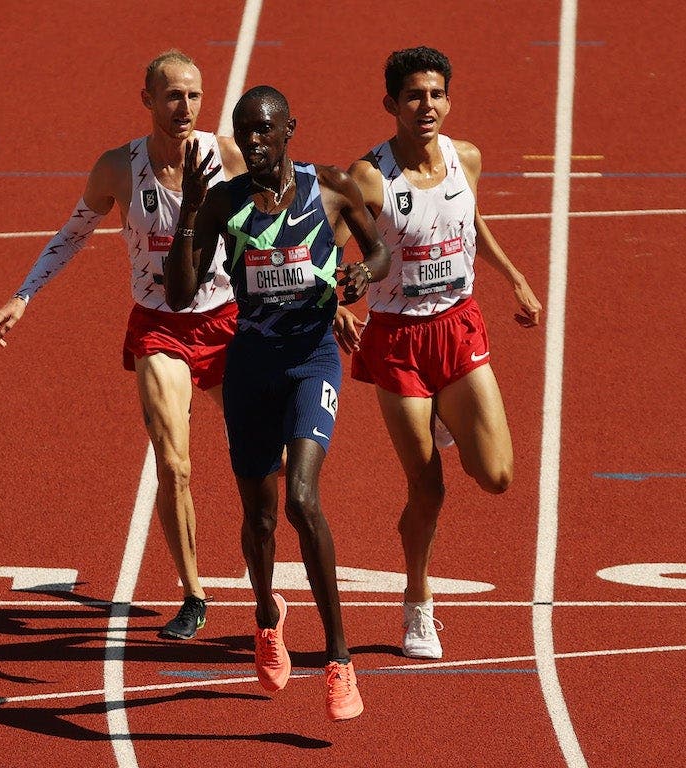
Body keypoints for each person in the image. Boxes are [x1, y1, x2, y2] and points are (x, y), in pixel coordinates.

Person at [0, 50, 246, 641]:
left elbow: (288, 213)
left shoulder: (226, 156)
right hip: (159, 327)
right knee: (174, 464)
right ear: (148, 100)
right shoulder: (116, 168)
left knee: (273, 462)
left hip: (228, 322)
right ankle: (194, 595)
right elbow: (73, 233)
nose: (185, 107)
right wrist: (23, 296)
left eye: (194, 96)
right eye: (173, 96)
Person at [164, 85, 390, 721]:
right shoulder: (221, 203)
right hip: (251, 370)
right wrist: (186, 214)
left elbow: (377, 250)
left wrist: (362, 275)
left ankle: (340, 659)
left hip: (312, 362)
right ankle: (266, 613)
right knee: (259, 515)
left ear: (290, 129)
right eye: (244, 132)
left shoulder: (334, 188)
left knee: (301, 500)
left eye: (265, 130)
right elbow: (181, 296)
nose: (255, 142)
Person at [337, 45, 543, 659]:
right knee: (427, 490)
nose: (426, 106)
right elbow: (324, 249)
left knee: (498, 477)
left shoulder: (467, 158)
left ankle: (447, 420)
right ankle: (418, 604)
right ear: (391, 104)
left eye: (436, 95)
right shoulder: (369, 177)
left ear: (448, 100)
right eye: (413, 96)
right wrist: (336, 303)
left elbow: (470, 224)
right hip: (397, 337)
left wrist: (515, 278)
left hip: (459, 327)